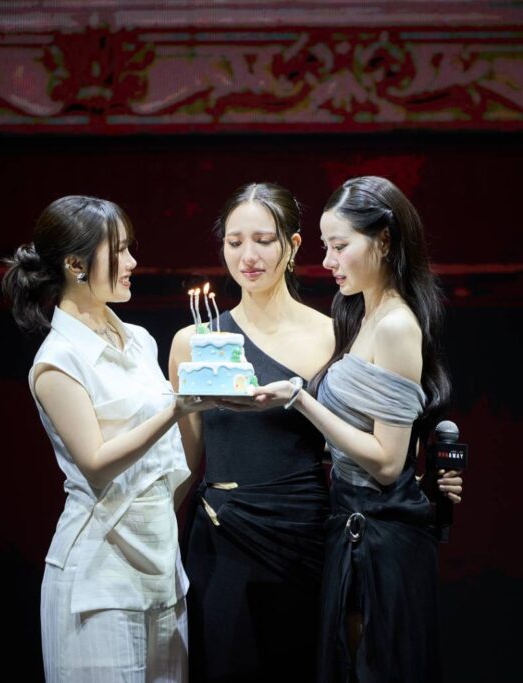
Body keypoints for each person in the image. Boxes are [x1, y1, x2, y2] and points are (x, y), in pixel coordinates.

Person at [251, 176, 463, 681]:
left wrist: (300, 399)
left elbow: (387, 463)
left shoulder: (395, 325)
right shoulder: (359, 313)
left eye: (340, 246)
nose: (328, 260)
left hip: (379, 537)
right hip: (352, 524)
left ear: (384, 240)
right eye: (326, 246)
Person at [2, 195, 214, 682]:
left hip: (161, 569)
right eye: (119, 251)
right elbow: (96, 463)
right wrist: (177, 407)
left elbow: (169, 461)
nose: (133, 262)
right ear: (76, 265)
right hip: (98, 579)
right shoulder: (57, 361)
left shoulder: (139, 340)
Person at [168, 182, 335, 681]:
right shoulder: (193, 341)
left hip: (305, 533)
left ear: (294, 245)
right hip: (223, 535)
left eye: (263, 241)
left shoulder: (332, 334)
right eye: (234, 242)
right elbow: (184, 462)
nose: (248, 257)